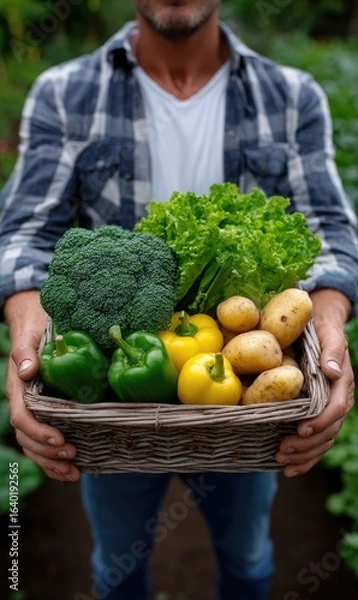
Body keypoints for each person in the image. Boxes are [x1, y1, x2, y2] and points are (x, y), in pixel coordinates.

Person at [0, 1, 357, 599]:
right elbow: (25, 237)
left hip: (244, 399)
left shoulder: (292, 96)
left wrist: (328, 338)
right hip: (112, 396)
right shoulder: (63, 93)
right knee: (116, 564)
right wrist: (27, 346)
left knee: (246, 559)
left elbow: (330, 230)